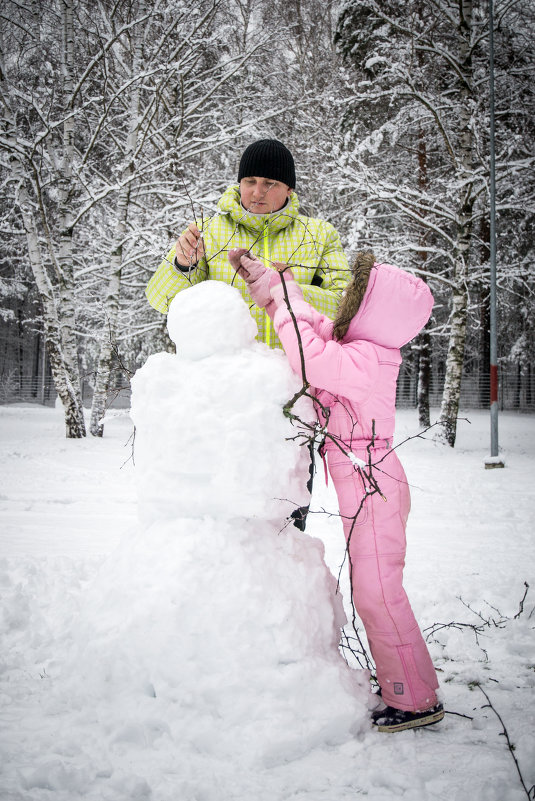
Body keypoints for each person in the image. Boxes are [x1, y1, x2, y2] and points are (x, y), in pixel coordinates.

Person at [228, 246, 444, 733]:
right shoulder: (363, 349)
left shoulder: (369, 358)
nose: (344, 303)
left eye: (355, 298)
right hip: (369, 483)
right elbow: (312, 326)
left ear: (377, 314)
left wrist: (284, 307)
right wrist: (271, 286)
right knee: (377, 592)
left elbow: (311, 357)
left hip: (374, 488)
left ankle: (413, 699)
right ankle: (408, 683)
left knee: (378, 595)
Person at [145, 139, 351, 350]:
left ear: (289, 189)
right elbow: (161, 302)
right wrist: (183, 265)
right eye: (250, 181)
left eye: (270, 183)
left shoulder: (319, 235)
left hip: (296, 375)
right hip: (228, 375)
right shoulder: (208, 231)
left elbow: (346, 310)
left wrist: (287, 293)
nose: (257, 192)